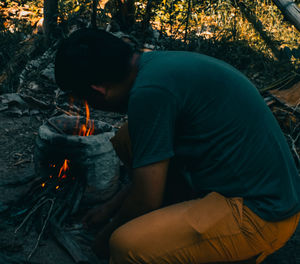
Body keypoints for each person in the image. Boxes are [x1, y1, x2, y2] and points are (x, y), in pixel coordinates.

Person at [54, 28, 300, 264]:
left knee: (125, 246)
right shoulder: (152, 66)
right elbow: (146, 181)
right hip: (259, 190)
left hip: (261, 216)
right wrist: (110, 207)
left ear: (98, 90)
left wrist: (105, 236)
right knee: (129, 137)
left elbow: (146, 200)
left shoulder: (150, 94)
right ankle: (175, 212)